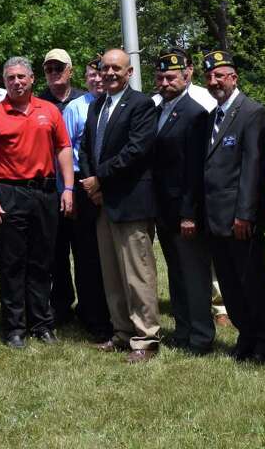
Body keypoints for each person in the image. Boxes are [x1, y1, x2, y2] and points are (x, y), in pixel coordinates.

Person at [0, 57, 75, 347]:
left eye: (21, 77)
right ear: (4, 82)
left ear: (32, 79)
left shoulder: (50, 111)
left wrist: (67, 188)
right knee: (12, 263)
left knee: (43, 262)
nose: (16, 82)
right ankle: (15, 328)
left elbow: (63, 148)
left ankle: (42, 324)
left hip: (45, 194)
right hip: (8, 193)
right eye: (10, 78)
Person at [79, 48, 161, 363]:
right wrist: (91, 183)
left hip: (130, 201)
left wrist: (101, 179)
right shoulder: (97, 105)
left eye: (117, 68)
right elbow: (86, 147)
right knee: (112, 274)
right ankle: (122, 332)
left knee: (137, 273)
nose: (110, 73)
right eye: (105, 68)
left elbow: (136, 150)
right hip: (101, 201)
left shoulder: (141, 105)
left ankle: (146, 338)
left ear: (129, 73)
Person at [200, 50, 265, 363]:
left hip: (240, 218)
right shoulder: (211, 117)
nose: (214, 81)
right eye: (209, 76)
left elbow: (252, 167)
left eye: (220, 75)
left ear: (234, 77)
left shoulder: (252, 112)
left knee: (253, 283)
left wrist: (245, 214)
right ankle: (247, 338)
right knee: (231, 286)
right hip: (215, 218)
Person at [151, 49, 213, 355]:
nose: (165, 82)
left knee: (194, 273)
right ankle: (183, 329)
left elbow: (194, 170)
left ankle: (201, 335)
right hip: (163, 209)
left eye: (171, 77)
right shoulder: (157, 110)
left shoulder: (195, 113)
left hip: (185, 210)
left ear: (185, 76)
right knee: (176, 272)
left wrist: (190, 213)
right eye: (160, 77)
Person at [59, 57, 113, 342]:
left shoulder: (116, 105)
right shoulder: (75, 108)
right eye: (92, 75)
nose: (98, 79)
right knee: (87, 255)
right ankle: (93, 316)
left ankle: (115, 312)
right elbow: (65, 151)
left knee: (112, 254)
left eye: (102, 74)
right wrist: (67, 190)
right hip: (82, 184)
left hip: (111, 183)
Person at [38, 48, 84, 325]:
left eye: (59, 68)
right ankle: (61, 304)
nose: (54, 73)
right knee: (55, 251)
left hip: (80, 185)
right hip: (48, 187)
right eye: (49, 69)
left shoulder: (87, 99)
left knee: (84, 249)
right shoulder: (37, 102)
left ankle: (89, 305)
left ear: (70, 70)